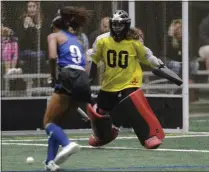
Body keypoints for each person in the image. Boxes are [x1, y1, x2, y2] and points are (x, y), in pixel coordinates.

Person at [87, 10, 165, 150]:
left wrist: (159, 64)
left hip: (130, 81)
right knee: (100, 111)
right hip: (109, 84)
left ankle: (149, 136)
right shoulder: (102, 40)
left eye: (120, 25)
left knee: (132, 106)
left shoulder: (133, 42)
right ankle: (103, 135)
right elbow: (94, 59)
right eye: (114, 24)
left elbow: (146, 56)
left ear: (126, 25)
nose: (117, 28)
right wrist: (88, 79)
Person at [43, 6, 92, 171]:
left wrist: (54, 76)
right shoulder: (76, 40)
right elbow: (83, 66)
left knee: (48, 122)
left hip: (67, 75)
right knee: (55, 123)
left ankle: (67, 144)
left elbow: (52, 56)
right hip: (82, 79)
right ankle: (50, 162)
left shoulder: (54, 35)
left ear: (54, 26)